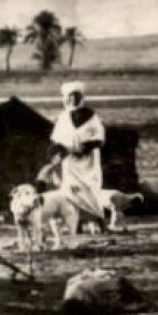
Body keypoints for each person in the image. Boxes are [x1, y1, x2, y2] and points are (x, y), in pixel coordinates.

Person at [46, 81, 106, 223]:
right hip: (70, 162)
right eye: (70, 97)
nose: (72, 100)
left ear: (81, 98)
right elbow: (56, 140)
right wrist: (57, 154)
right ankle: (76, 222)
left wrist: (84, 147)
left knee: (90, 189)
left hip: (89, 161)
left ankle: (98, 219)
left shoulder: (92, 117)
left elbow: (100, 138)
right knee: (71, 190)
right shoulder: (63, 117)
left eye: (76, 97)